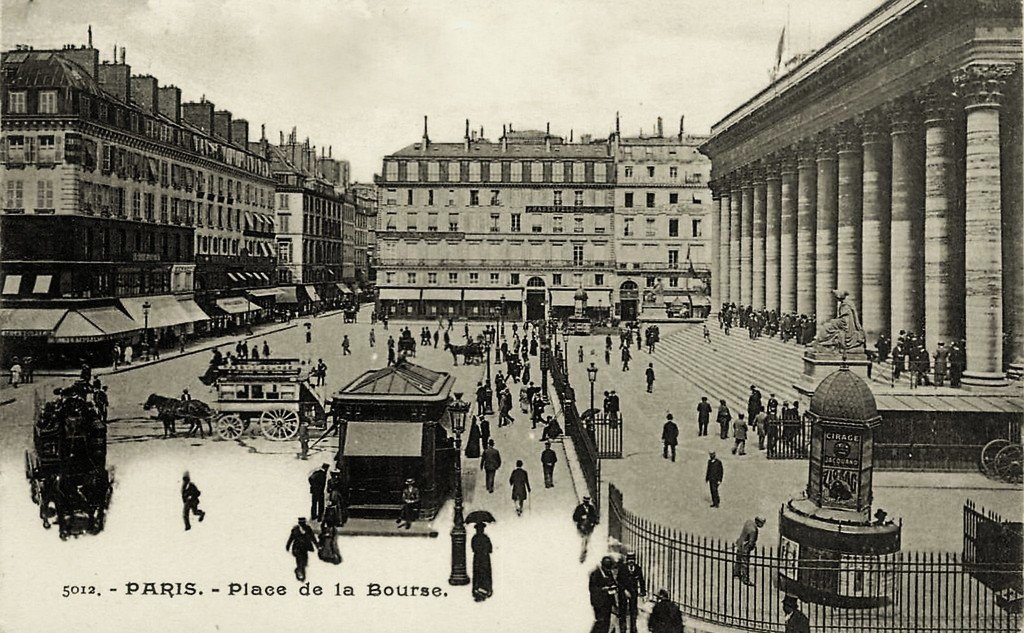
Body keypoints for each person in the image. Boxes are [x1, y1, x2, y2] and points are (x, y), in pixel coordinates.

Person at [617, 552, 647, 633]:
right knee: (622, 612)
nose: (631, 561)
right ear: (627, 560)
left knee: (633, 612)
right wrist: (624, 590)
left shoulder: (638, 568)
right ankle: (623, 629)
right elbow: (618, 581)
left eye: (632, 559)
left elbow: (641, 581)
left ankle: (633, 629)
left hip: (633, 593)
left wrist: (643, 591)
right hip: (623, 593)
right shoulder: (622, 568)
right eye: (629, 559)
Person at [588, 556, 619, 633]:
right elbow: (593, 589)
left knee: (606, 623)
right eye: (607, 568)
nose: (609, 570)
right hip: (599, 603)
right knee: (600, 622)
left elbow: (613, 583)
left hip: (608, 603)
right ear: (603, 566)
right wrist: (603, 589)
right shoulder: (595, 574)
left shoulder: (608, 572)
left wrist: (613, 587)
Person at [733, 516, 765, 586]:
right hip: (745, 547)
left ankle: (736, 573)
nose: (763, 525)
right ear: (758, 522)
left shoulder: (748, 522)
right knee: (745, 563)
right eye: (762, 523)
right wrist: (752, 547)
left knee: (738, 559)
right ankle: (745, 579)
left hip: (740, 542)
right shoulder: (754, 530)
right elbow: (751, 542)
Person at [471, 523, 493, 601]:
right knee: (486, 573)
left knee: (477, 573)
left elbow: (473, 548)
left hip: (477, 558)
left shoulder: (474, 538)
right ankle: (486, 588)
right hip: (485, 558)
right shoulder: (486, 538)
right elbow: (490, 549)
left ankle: (477, 588)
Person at [573, 496, 598, 563]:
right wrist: (581, 517)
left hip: (589, 527)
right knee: (584, 540)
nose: (586, 502)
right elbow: (575, 517)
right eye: (585, 501)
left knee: (586, 540)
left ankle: (584, 552)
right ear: (583, 501)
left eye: (588, 501)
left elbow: (594, 517)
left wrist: (593, 522)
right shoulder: (579, 508)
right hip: (581, 527)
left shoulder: (591, 508)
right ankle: (582, 554)